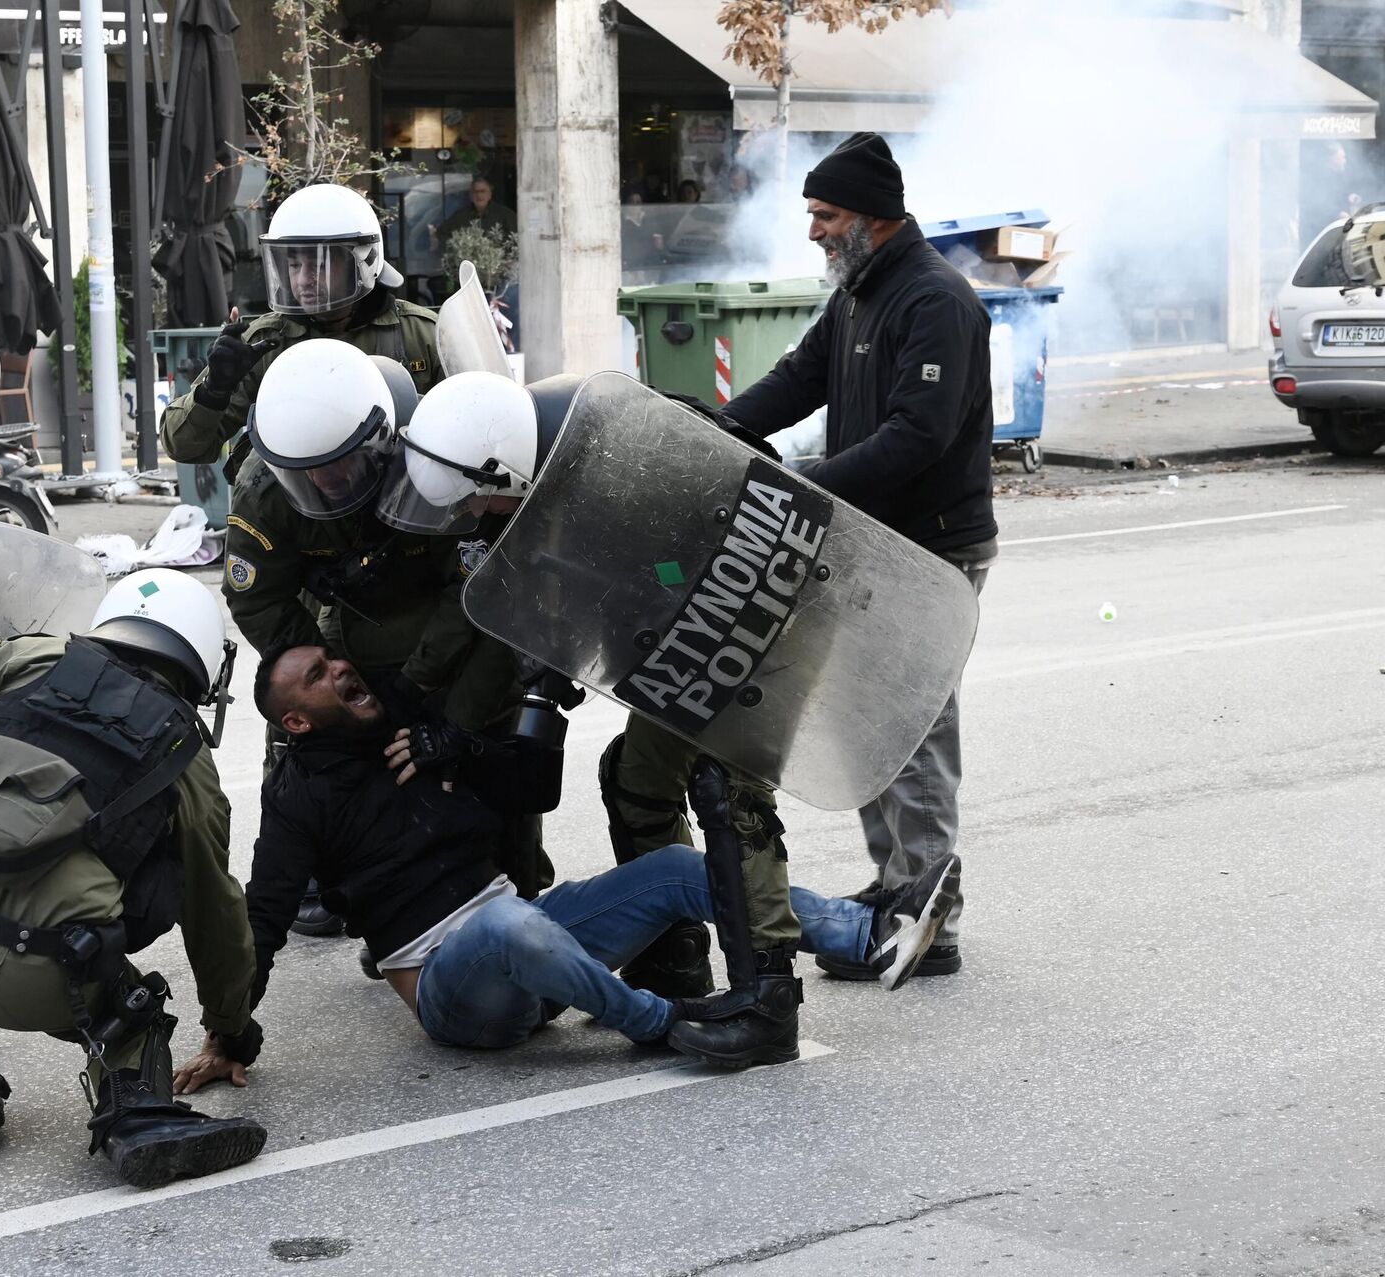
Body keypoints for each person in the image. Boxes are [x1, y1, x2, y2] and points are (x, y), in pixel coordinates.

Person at [193, 644, 959, 1084]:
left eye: (333, 659)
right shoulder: (298, 795)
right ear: (296, 718)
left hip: (529, 929)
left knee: (670, 870)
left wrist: (464, 748)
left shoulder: (407, 724)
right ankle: (667, 1025)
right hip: (452, 987)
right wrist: (229, 1031)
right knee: (506, 925)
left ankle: (871, 935)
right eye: (317, 678)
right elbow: (261, 914)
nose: (337, 669)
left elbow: (534, 788)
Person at [379, 371, 818, 1070]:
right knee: (635, 779)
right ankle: (678, 958)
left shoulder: (626, 461)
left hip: (765, 614)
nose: (474, 516)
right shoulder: (549, 459)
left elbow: (686, 558)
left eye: (475, 499)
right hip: (694, 631)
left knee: (726, 787)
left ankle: (769, 1001)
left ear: (502, 467)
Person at [0, 570, 268, 1188]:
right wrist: (231, 1028)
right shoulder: (185, 756)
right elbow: (216, 913)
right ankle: (137, 1118)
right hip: (49, 979)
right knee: (136, 1016)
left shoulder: (29, 659)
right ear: (203, 659)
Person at [716, 132, 996, 980]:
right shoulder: (859, 295)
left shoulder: (935, 300)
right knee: (869, 726)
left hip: (931, 547)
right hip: (873, 540)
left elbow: (919, 434)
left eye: (824, 215)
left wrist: (813, 485)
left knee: (912, 726)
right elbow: (802, 378)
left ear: (873, 219)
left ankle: (930, 914)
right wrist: (722, 429)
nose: (812, 231)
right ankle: (897, 884)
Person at [224, 340, 545, 937]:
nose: (321, 479)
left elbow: (486, 597)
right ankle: (394, 920)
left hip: (471, 629)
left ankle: (521, 903)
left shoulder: (441, 451)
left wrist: (442, 711)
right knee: (367, 771)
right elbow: (257, 598)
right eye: (305, 471)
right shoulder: (264, 491)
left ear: (380, 439)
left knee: (486, 761)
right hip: (355, 638)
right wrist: (331, 676)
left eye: (337, 463)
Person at [161, 182, 441, 470]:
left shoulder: (421, 335)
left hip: (395, 505)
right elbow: (182, 447)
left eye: (319, 265)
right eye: (294, 265)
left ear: (364, 260)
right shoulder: (264, 343)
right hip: (294, 508)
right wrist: (214, 390)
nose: (304, 279)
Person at [434, 175, 518, 244]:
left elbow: (518, 237)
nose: (479, 195)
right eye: (475, 192)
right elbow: (441, 234)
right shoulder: (461, 215)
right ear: (470, 195)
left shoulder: (505, 214)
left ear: (490, 194)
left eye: (482, 191)